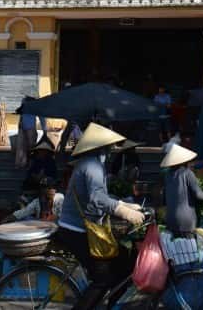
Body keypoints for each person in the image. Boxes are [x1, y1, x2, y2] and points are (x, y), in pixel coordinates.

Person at [55, 122, 145, 310]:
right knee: (102, 278)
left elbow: (100, 196)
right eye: (109, 146)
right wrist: (123, 211)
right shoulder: (92, 166)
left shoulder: (92, 164)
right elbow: (97, 199)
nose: (112, 149)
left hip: (82, 226)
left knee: (123, 266)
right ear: (101, 147)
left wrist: (122, 203)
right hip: (76, 230)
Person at [162, 145, 203, 236]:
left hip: (170, 220)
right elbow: (199, 195)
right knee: (187, 248)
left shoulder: (167, 175)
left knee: (174, 248)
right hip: (186, 221)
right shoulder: (187, 173)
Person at [15, 96, 46, 169]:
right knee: (24, 146)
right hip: (24, 127)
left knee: (29, 147)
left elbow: (41, 117)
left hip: (28, 128)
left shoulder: (34, 103)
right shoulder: (25, 101)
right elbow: (22, 114)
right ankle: (23, 163)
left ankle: (27, 164)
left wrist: (45, 129)